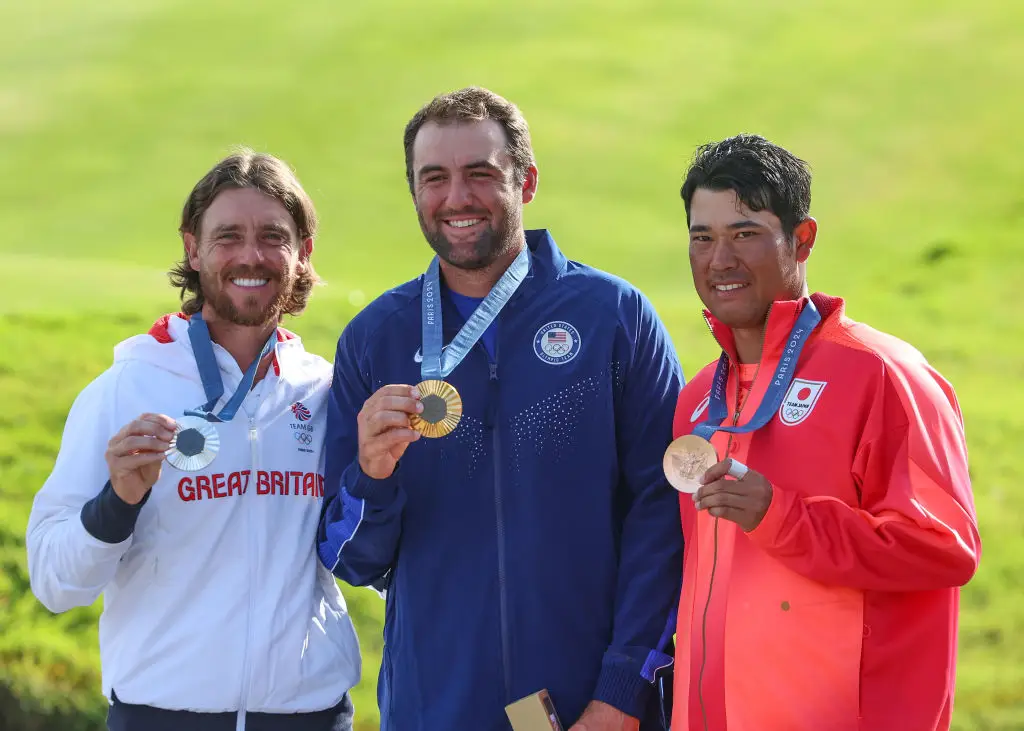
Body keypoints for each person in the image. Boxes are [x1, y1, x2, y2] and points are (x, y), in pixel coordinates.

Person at [317, 87, 684, 731]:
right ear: (414, 193)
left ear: (527, 180)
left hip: (592, 707)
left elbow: (667, 513)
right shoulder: (377, 339)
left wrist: (626, 689)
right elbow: (351, 558)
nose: (456, 198)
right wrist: (370, 477)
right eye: (435, 178)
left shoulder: (612, 317)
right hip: (436, 708)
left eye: (480, 174)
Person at [26, 149, 361, 731]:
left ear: (303, 251)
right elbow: (55, 583)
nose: (251, 256)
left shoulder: (325, 391)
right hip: (161, 714)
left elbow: (373, 554)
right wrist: (117, 503)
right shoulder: (126, 387)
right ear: (192, 247)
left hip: (308, 715)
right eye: (228, 235)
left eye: (273, 236)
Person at [667, 134, 981, 731]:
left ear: (802, 238)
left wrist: (782, 518)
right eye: (702, 237)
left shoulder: (882, 373)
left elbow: (944, 548)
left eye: (745, 233)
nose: (719, 259)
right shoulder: (697, 399)